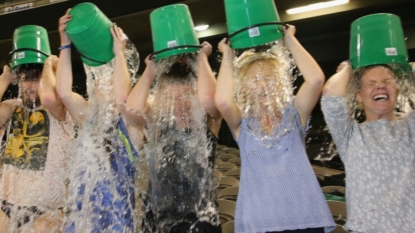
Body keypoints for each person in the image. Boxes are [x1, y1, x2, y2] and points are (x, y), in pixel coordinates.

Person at [214, 25, 335, 233]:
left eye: (270, 78)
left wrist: (289, 41)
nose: (263, 85)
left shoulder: (296, 110)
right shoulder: (241, 120)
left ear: (281, 83)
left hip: (305, 216)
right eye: (254, 80)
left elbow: (315, 80)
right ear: (244, 88)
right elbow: (223, 102)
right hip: (260, 219)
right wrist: (227, 56)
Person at [125, 41, 222, 233]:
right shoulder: (158, 122)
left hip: (201, 215)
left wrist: (202, 59)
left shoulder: (207, 120)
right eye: (173, 98)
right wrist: (151, 70)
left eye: (186, 96)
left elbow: (211, 99)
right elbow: (131, 109)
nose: (180, 104)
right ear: (163, 99)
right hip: (159, 215)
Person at [56, 10, 139, 233]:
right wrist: (65, 44)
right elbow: (64, 93)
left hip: (117, 224)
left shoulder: (131, 125)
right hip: (81, 223)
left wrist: (119, 55)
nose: (100, 86)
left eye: (108, 81)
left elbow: (123, 100)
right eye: (97, 82)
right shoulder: (88, 118)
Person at [321, 61, 415, 233]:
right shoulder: (350, 134)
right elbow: (330, 94)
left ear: (397, 90)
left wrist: (408, 70)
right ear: (359, 96)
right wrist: (349, 67)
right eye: (371, 84)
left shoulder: (411, 127)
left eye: (387, 82)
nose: (380, 86)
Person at [0, 53, 72, 232]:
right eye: (25, 80)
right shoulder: (12, 106)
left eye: (35, 80)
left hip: (46, 210)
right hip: (6, 205)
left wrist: (48, 64)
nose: (28, 87)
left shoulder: (62, 110)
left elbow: (48, 97)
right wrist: (5, 78)